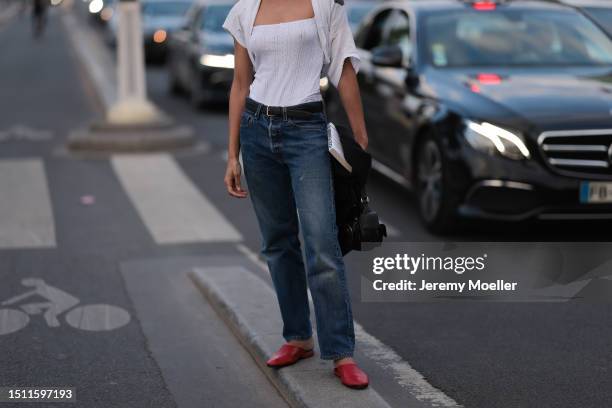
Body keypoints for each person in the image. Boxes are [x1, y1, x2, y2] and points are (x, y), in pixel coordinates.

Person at [222, 0, 370, 389]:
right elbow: (240, 84)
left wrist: (361, 138)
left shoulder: (326, 6)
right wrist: (232, 154)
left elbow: (344, 69)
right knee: (277, 242)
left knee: (321, 243)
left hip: (306, 129)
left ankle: (341, 351)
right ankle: (298, 338)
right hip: (257, 129)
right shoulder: (244, 10)